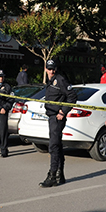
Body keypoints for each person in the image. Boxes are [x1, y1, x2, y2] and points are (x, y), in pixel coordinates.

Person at [39, 58, 77, 188]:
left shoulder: (60, 80)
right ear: (46, 69)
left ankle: (52, 175)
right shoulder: (50, 81)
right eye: (49, 69)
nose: (51, 71)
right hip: (52, 116)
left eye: (53, 68)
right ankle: (60, 174)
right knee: (57, 145)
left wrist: (63, 111)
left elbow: (72, 97)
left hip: (57, 117)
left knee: (53, 146)